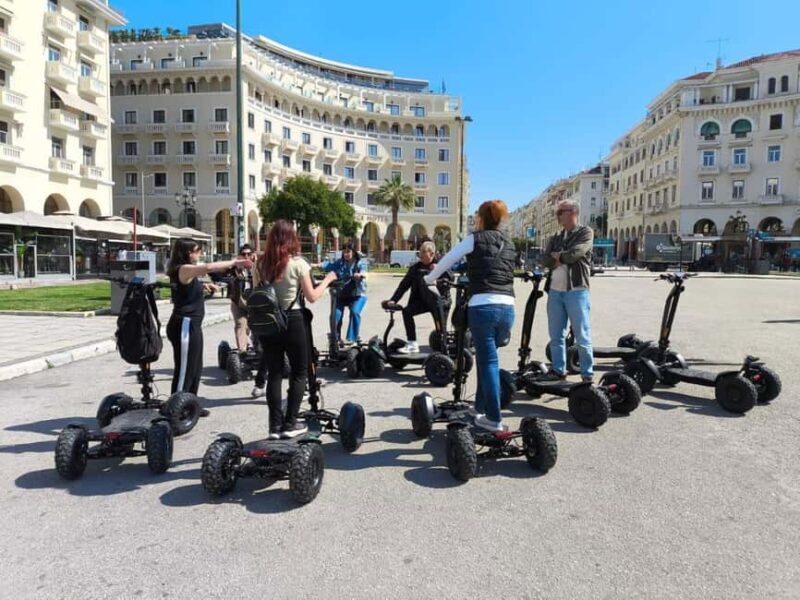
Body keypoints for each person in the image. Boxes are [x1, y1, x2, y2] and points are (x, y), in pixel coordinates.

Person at [424, 200, 516, 432]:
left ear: (480, 218)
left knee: (489, 362)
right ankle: (479, 409)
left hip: (483, 307)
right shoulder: (509, 242)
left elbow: (447, 259)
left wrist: (429, 279)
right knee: (488, 359)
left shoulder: (475, 238)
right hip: (508, 307)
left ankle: (494, 419)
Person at [254, 220, 338, 439]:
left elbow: (258, 294)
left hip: (268, 322)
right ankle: (290, 423)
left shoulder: (260, 264)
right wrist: (328, 280)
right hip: (293, 319)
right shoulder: (298, 263)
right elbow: (312, 297)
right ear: (292, 239)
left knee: (274, 373)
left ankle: (274, 427)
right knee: (299, 372)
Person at [165, 238, 252, 412]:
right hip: (184, 325)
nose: (200, 254)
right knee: (184, 369)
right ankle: (175, 409)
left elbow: (188, 287)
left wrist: (205, 285)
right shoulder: (183, 268)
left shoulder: (188, 272)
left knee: (195, 367)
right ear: (188, 253)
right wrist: (235, 262)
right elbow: (208, 267)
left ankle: (191, 404)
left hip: (193, 326)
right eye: (197, 251)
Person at [542, 199, 595, 383]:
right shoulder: (556, 237)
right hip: (555, 291)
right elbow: (545, 260)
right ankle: (558, 370)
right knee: (556, 336)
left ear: (573, 212)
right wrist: (558, 258)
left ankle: (587, 375)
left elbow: (575, 254)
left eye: (560, 212)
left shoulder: (585, 232)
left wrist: (558, 257)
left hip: (576, 291)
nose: (557, 216)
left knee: (582, 335)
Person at [384, 241, 450, 353]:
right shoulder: (416, 268)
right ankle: (412, 344)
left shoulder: (441, 265)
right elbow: (404, 285)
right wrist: (393, 300)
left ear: (432, 254)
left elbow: (449, 280)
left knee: (441, 332)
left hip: (439, 302)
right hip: (423, 301)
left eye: (424, 252)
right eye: (420, 251)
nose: (421, 254)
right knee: (407, 312)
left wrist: (438, 275)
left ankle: (444, 351)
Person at [322, 243, 367, 345]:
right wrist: (313, 265)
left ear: (353, 252)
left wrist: (360, 275)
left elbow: (364, 272)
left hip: (357, 295)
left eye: (348, 251)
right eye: (344, 252)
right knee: (335, 315)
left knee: (355, 312)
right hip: (341, 295)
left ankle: (352, 339)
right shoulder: (340, 263)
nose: (346, 254)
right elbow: (328, 265)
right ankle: (336, 338)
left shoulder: (360, 263)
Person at [227, 244, 255, 352]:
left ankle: (259, 349)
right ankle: (242, 352)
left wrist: (255, 265)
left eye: (249, 254)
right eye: (243, 254)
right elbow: (219, 272)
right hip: (239, 302)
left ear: (253, 255)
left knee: (257, 326)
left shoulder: (259, 267)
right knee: (241, 325)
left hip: (256, 302)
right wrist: (234, 263)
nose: (246, 256)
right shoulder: (234, 269)